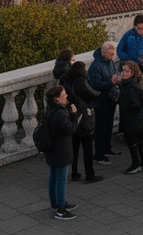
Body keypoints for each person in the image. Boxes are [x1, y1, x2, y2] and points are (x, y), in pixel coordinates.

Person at [63, 61, 103, 183]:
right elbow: (93, 94)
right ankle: (90, 174)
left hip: (73, 115)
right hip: (84, 115)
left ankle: (74, 173)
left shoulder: (66, 80)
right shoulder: (80, 82)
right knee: (87, 148)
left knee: (74, 148)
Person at [43, 85, 79, 220]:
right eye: (64, 94)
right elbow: (71, 129)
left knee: (53, 177)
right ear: (57, 98)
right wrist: (74, 115)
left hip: (52, 149)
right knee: (61, 179)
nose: (66, 96)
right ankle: (61, 210)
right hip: (61, 150)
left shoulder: (50, 110)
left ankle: (56, 203)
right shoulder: (60, 114)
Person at [88, 41, 121, 165]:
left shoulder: (109, 62)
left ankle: (106, 148)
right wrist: (111, 82)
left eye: (113, 54)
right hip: (100, 101)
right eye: (110, 54)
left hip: (109, 99)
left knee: (108, 126)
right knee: (101, 128)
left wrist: (115, 79)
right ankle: (99, 155)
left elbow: (110, 76)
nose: (112, 56)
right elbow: (96, 85)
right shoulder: (96, 66)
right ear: (104, 53)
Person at [117, 61, 143, 174]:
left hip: (131, 119)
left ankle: (136, 163)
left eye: (126, 71)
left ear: (133, 72)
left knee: (132, 141)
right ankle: (142, 162)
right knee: (139, 141)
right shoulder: (132, 83)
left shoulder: (131, 86)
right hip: (137, 119)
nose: (123, 73)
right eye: (123, 70)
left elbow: (134, 104)